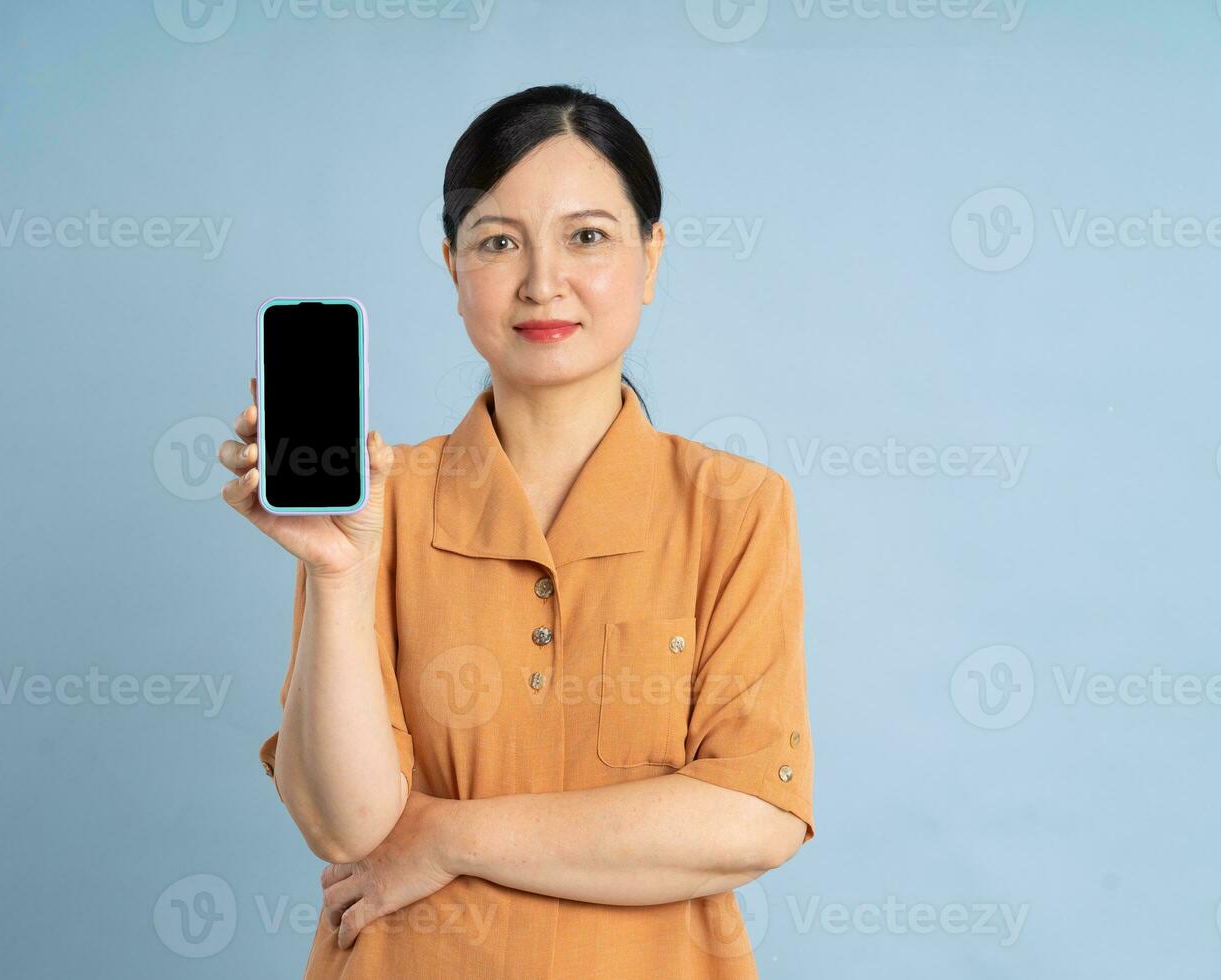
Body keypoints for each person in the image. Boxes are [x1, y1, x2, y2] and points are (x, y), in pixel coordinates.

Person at [219, 82, 815, 978]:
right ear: (454, 265)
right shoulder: (379, 501)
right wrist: (340, 576)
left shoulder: (733, 508)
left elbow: (750, 817)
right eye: (498, 241)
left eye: (588, 237)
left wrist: (446, 836)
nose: (543, 283)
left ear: (652, 259)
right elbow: (345, 824)